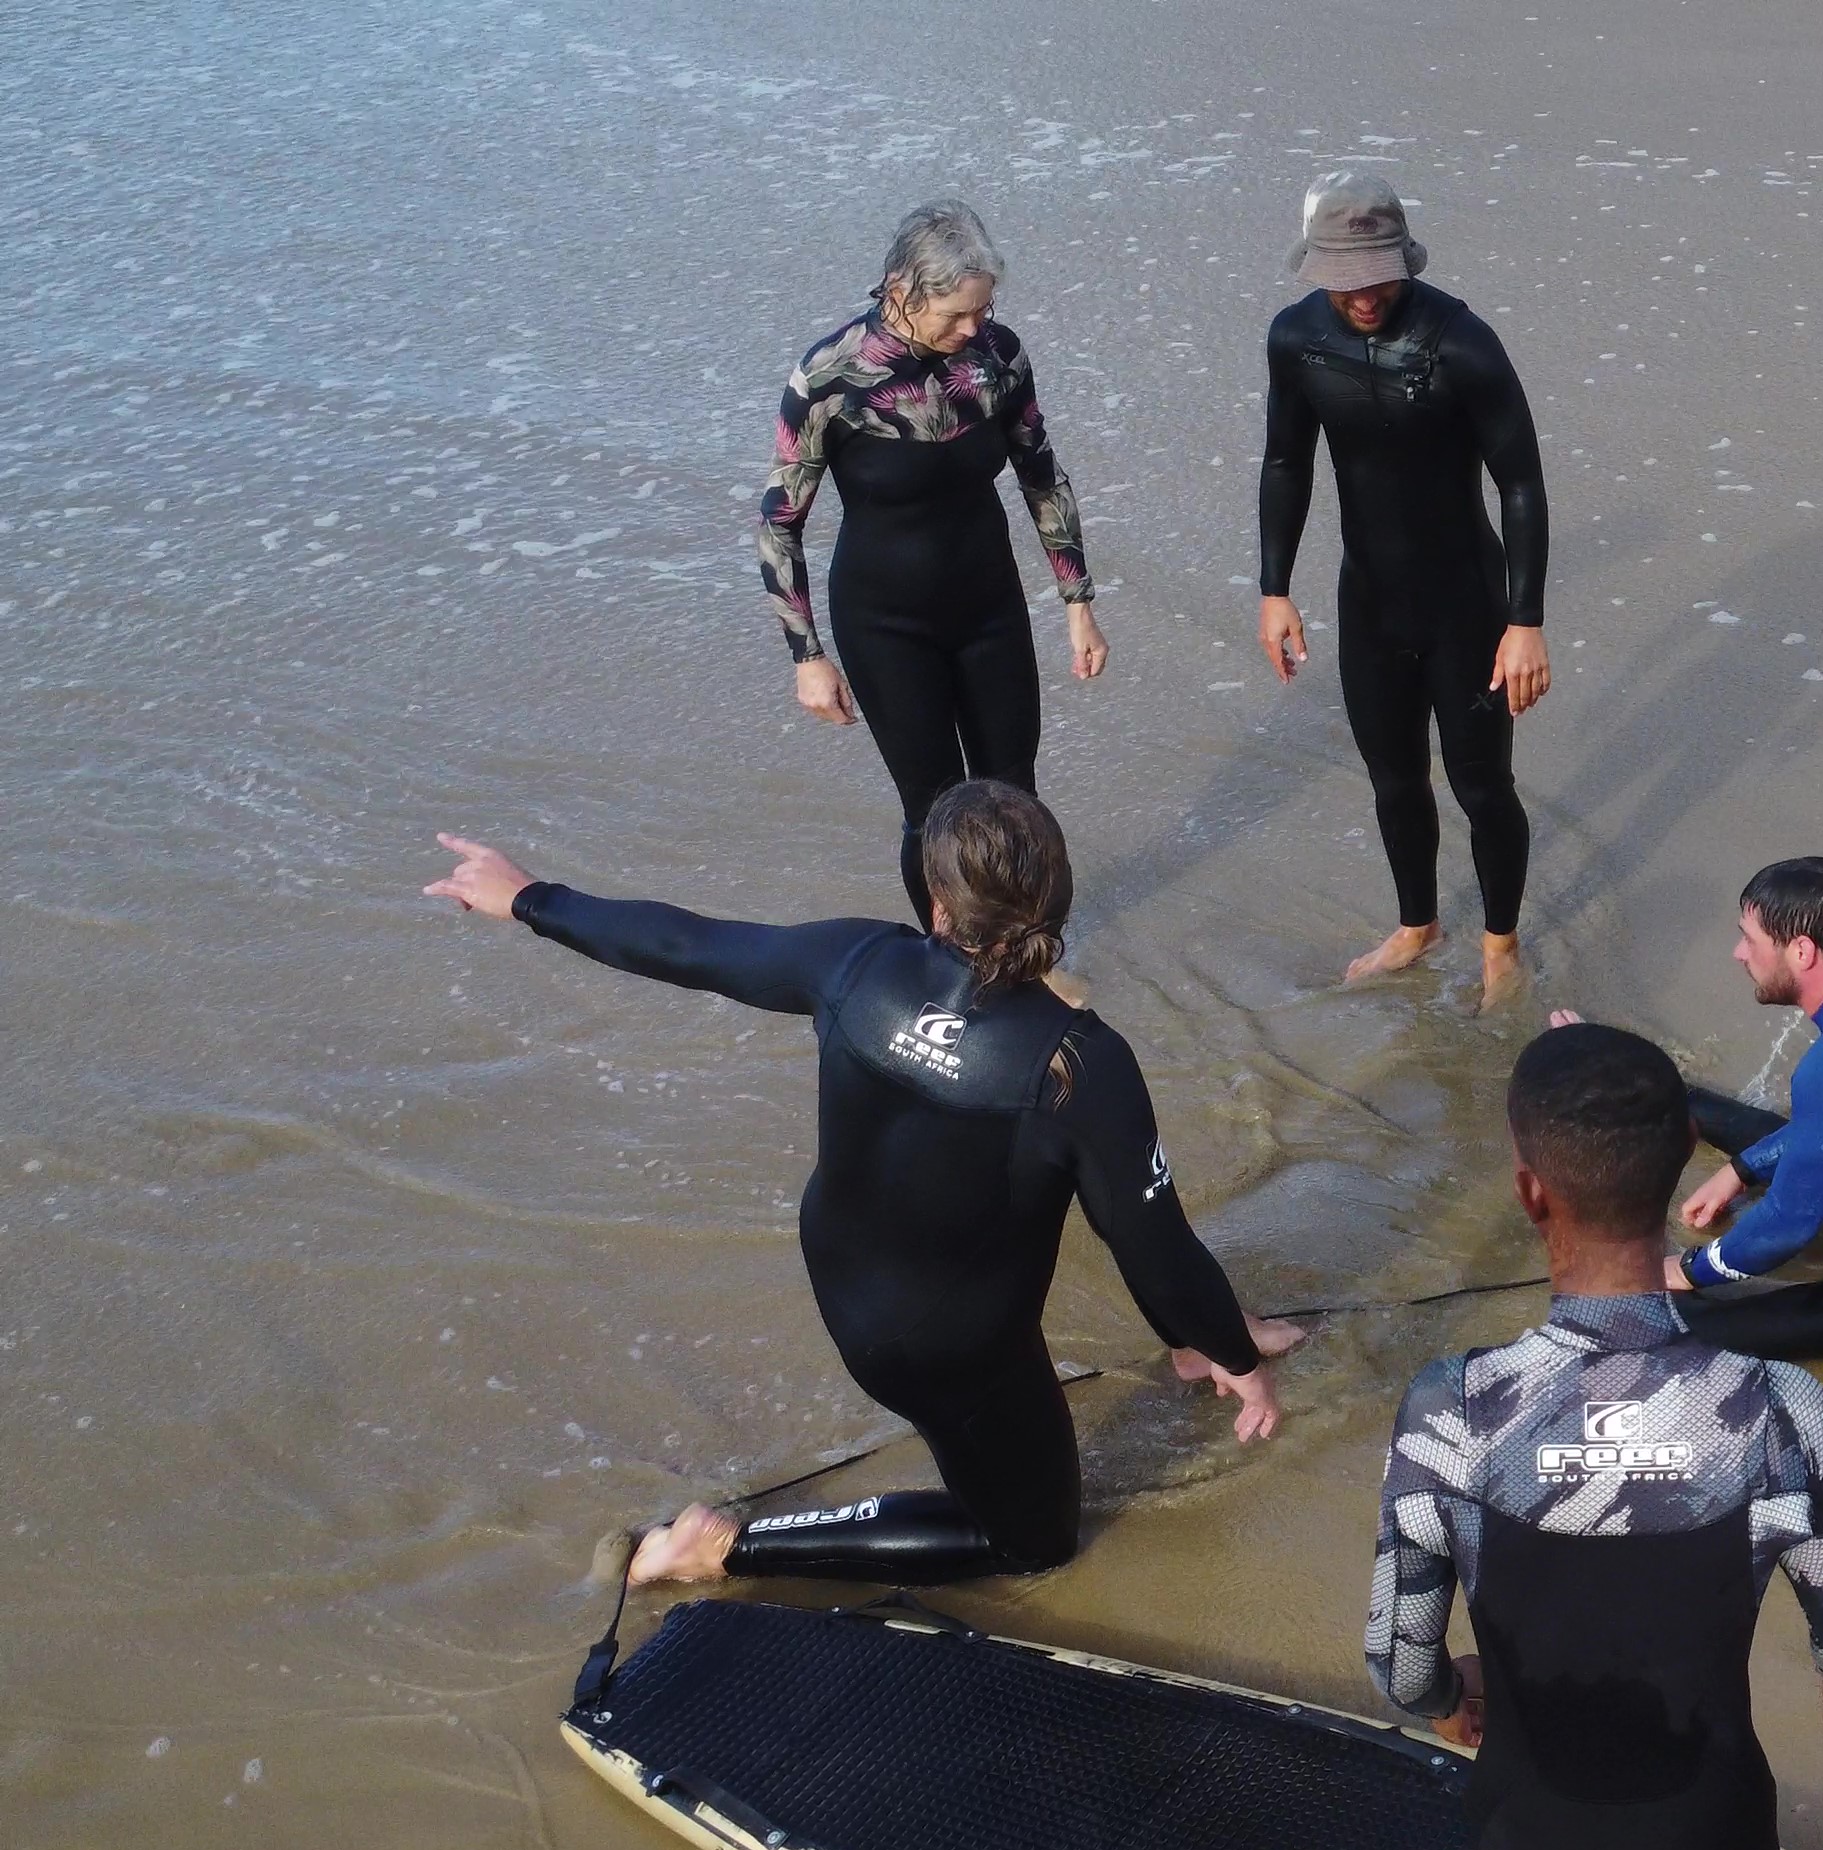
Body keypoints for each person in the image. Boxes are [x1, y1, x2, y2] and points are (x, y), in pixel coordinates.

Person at [423, 782, 1299, 1588]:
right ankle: (721, 1551)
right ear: (1058, 900)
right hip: (955, 1348)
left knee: (985, 1420)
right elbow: (1154, 1248)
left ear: (938, 904)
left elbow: (685, 945)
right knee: (1032, 1543)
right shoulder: (1078, 1068)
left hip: (846, 1283)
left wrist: (529, 898)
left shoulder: (856, 962)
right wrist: (1233, 1355)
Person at [1365, 1024, 1823, 1850]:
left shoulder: (1453, 1409)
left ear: (1529, 1190)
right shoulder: (1777, 1409)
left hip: (1531, 1834)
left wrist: (1452, 1695)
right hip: (1705, 1834)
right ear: (1679, 1169)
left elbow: (1398, 1666)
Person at [762, 200, 1109, 922]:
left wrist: (1078, 603)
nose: (973, 328)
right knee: (934, 812)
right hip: (885, 625)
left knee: (1015, 800)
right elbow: (780, 521)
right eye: (957, 314)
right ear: (902, 290)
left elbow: (1041, 475)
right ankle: (948, 961)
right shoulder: (829, 377)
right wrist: (807, 657)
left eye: (984, 310)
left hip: (989, 609)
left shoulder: (998, 358)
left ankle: (1031, 956)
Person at [1256, 172, 1553, 1003]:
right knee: (1394, 780)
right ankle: (1418, 924)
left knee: (1481, 785)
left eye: (1378, 276)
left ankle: (1500, 946)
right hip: (1370, 606)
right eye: (1343, 279)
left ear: (1406, 258)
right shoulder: (1295, 339)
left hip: (1467, 607)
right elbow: (1285, 463)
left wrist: (1524, 622)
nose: (1362, 296)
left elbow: (1521, 484)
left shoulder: (1464, 344)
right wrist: (1275, 589)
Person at [1550, 858, 1823, 1362]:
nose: (1739, 953)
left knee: (1647, 1326)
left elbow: (1784, 1229)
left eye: (1750, 939)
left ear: (1802, 952)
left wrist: (1684, 1269)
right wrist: (1741, 1171)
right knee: (1772, 1130)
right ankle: (1622, 1077)